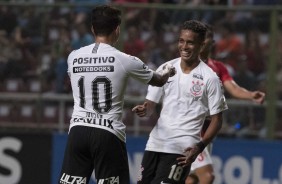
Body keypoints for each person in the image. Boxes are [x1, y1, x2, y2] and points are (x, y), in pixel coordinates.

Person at [58, 5, 176, 184]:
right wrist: (168, 70)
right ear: (117, 30)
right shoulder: (125, 60)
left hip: (78, 131)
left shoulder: (73, 57)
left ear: (92, 29)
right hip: (107, 133)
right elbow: (159, 80)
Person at [132, 20, 228, 184]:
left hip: (182, 148)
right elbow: (150, 105)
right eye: (181, 41)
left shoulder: (210, 78)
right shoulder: (165, 68)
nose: (184, 46)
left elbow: (217, 120)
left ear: (201, 44)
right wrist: (144, 109)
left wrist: (199, 147)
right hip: (155, 143)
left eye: (190, 42)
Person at [185, 23, 265, 184]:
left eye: (205, 38)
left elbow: (232, 87)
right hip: (188, 128)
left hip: (206, 131)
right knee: (207, 176)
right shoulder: (184, 64)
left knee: (191, 178)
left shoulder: (218, 68)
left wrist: (250, 95)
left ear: (211, 42)